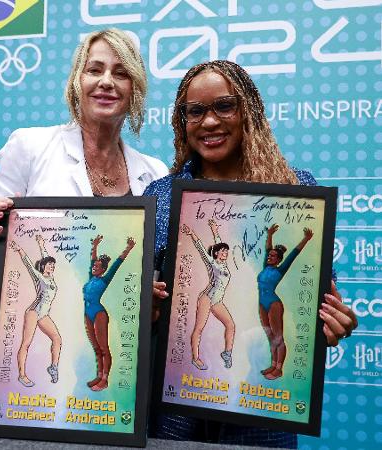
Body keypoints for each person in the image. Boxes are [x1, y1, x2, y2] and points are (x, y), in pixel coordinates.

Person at [144, 60, 358, 447]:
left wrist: (329, 321)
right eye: (196, 111)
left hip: (262, 415)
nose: (209, 122)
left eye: (224, 106)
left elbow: (317, 291)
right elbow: (144, 305)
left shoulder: (295, 187)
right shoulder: (160, 196)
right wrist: (146, 310)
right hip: (174, 413)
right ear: (182, 121)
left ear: (249, 111)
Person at [0, 28, 168, 424]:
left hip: (114, 391)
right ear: (78, 80)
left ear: (135, 87)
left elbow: (146, 275)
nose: (106, 81)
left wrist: (154, 291)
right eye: (95, 69)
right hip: (28, 396)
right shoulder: (30, 146)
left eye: (121, 72)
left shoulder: (154, 173)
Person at [258, 225, 313, 380]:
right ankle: (273, 364)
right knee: (270, 336)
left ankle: (279, 369)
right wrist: (269, 234)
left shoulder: (280, 269)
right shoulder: (265, 266)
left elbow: (294, 253)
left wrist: (306, 239)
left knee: (278, 337)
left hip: (274, 305)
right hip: (262, 304)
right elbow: (268, 248)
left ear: (279, 260)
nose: (269, 257)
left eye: (273, 256)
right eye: (269, 255)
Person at [83, 235, 135, 391]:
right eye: (94, 266)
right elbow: (93, 259)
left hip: (99, 314)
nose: (94, 267)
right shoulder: (91, 278)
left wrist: (129, 248)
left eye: (97, 267)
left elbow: (117, 263)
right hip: (87, 313)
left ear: (103, 270)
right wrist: (95, 246)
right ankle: (99, 375)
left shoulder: (104, 280)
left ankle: (105, 380)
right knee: (96, 348)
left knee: (104, 347)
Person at [181, 219, 235, 371]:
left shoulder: (224, 265)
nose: (225, 253)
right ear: (217, 253)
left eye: (226, 251)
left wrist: (214, 229)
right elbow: (201, 250)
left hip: (217, 301)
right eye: (222, 251)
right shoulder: (212, 262)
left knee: (230, 325)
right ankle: (195, 358)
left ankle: (227, 353)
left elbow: (218, 242)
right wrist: (192, 233)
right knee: (199, 328)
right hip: (207, 298)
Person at [10, 235, 61, 387]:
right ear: (44, 267)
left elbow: (45, 257)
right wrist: (20, 250)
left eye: (53, 265)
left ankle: (53, 367)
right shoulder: (39, 277)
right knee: (26, 343)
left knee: (57, 339)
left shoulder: (51, 277)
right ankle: (22, 375)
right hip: (33, 312)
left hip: (43, 314)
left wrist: (41, 243)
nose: (52, 267)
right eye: (50, 265)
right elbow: (29, 266)